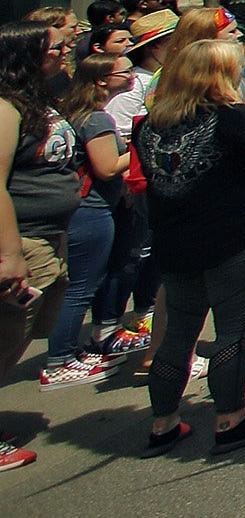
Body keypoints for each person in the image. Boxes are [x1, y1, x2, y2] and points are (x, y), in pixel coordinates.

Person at [132, 31, 245, 454]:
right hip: (230, 238)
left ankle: (163, 422)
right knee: (231, 331)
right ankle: (231, 419)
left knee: (177, 334)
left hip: (173, 240)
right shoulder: (238, 118)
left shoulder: (149, 124)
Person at [0, 20, 79, 471]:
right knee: (5, 336)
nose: (64, 52)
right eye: (53, 49)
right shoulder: (5, 109)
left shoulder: (40, 101)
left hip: (49, 238)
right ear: (25, 57)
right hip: (22, 243)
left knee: (20, 339)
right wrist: (10, 254)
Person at [36, 48, 129, 389]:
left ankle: (68, 353)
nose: (131, 76)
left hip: (82, 208)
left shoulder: (74, 112)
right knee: (79, 289)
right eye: (124, 71)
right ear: (102, 80)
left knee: (78, 285)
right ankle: (59, 361)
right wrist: (138, 150)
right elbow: (106, 168)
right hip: (91, 209)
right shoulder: (97, 118)